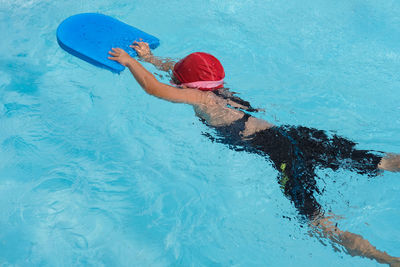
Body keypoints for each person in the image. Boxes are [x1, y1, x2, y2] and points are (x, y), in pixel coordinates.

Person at [108, 42, 400, 266]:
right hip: (295, 133)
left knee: (318, 223)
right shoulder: (219, 89)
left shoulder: (200, 98)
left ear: (187, 87)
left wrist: (131, 62)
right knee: (382, 160)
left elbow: (155, 88)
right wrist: (149, 58)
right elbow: (178, 74)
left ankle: (387, 260)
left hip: (283, 151)